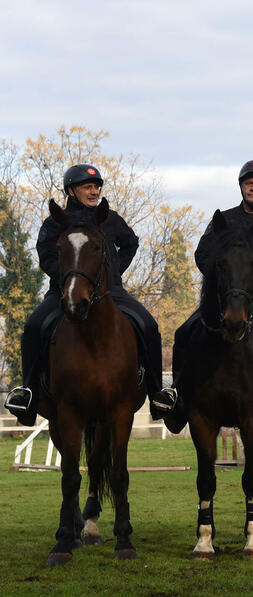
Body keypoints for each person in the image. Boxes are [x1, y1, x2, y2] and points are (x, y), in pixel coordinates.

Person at [150, 160, 253, 430]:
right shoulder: (224, 220)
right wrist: (221, 285)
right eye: (249, 183)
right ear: (242, 186)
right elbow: (203, 254)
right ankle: (177, 393)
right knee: (184, 332)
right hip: (227, 299)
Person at [4, 164, 167, 426]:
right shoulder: (55, 222)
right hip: (64, 291)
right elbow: (46, 255)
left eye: (96, 187)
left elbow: (131, 243)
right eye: (87, 187)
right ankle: (29, 393)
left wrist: (112, 271)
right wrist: (72, 281)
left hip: (110, 291)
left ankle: (159, 393)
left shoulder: (109, 218)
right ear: (71, 190)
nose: (94, 192)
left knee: (149, 325)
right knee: (33, 326)